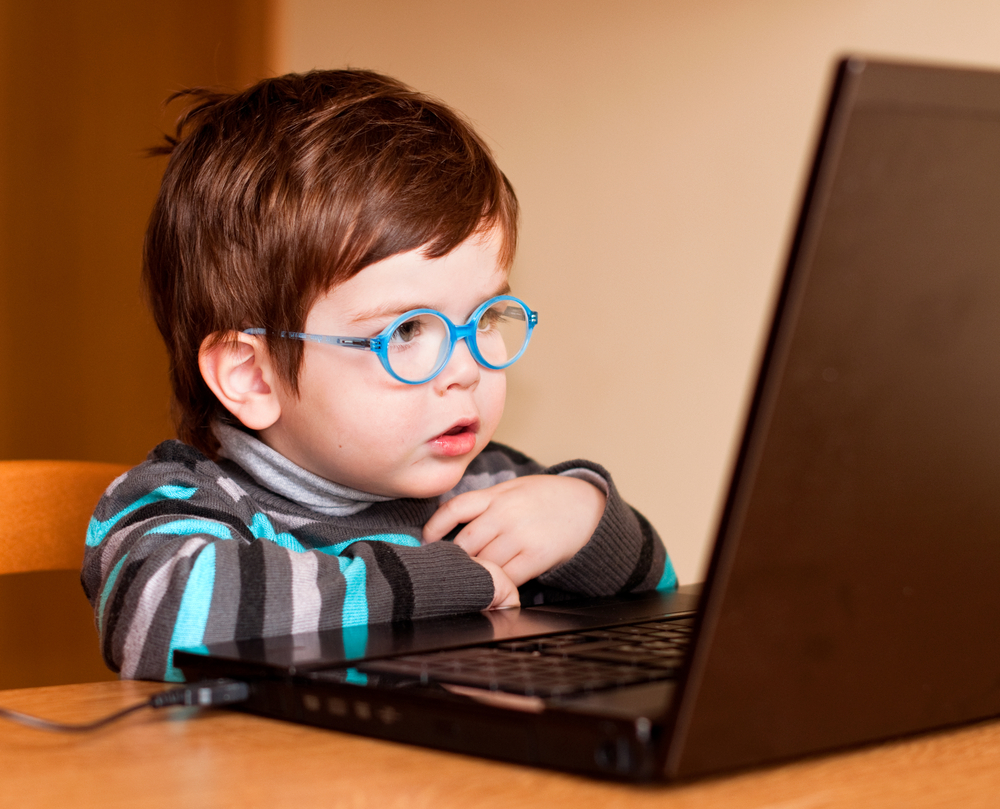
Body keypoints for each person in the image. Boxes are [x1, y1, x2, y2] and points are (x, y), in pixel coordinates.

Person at [82, 69, 676, 682]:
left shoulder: (490, 486)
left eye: (486, 316)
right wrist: (443, 581)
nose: (467, 370)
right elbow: (168, 616)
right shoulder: (188, 502)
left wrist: (587, 521)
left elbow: (661, 593)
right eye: (407, 331)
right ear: (253, 377)